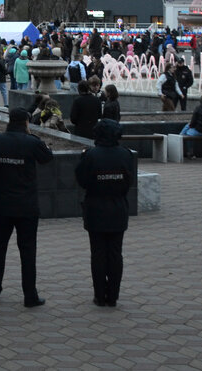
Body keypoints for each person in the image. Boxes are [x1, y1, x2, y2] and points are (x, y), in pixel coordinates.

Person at [0, 106, 54, 307]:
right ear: (26, 123)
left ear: (9, 121)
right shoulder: (32, 142)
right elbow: (47, 158)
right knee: (28, 251)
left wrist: (0, 185)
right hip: (27, 206)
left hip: (2, 204)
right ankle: (30, 296)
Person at [75, 118, 135, 307]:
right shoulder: (126, 155)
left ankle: (100, 295)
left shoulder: (91, 155)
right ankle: (113, 295)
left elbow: (82, 179)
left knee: (98, 253)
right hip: (118, 208)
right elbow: (129, 181)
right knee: (116, 254)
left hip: (96, 208)